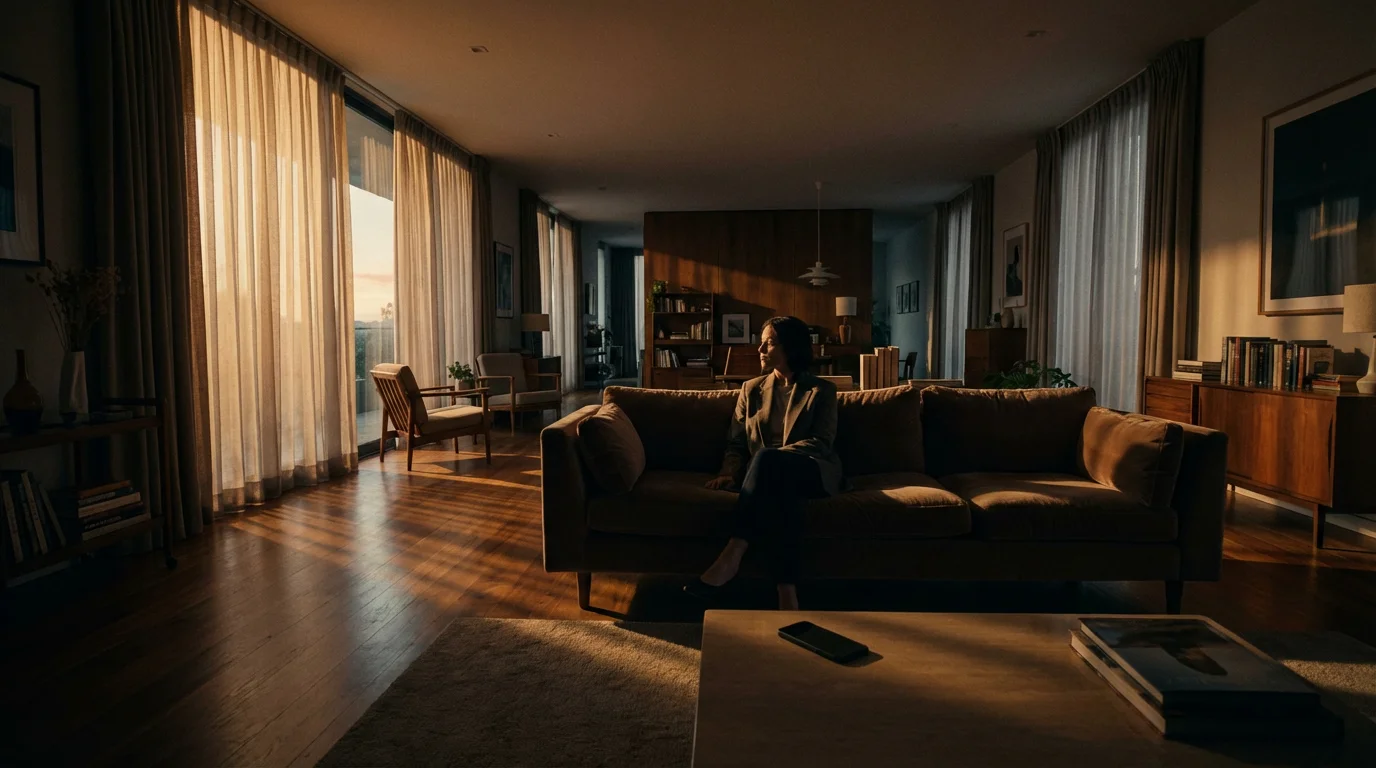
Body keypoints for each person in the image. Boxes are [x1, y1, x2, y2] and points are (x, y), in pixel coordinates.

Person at [685, 316, 842, 610]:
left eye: (769, 343)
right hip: (772, 477)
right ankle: (787, 594)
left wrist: (776, 457)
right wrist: (728, 473)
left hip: (812, 469)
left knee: (769, 460)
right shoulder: (751, 390)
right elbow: (737, 442)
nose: (760, 349)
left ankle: (732, 554)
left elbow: (822, 442)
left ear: (791, 347)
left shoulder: (821, 390)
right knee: (784, 497)